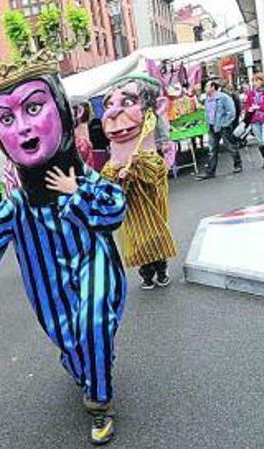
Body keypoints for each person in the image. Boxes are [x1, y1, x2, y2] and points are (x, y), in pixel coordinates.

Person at [0, 56, 127, 446]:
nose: (23, 127)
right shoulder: (18, 205)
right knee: (68, 336)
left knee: (94, 318)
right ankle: (88, 369)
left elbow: (114, 208)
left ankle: (100, 403)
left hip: (92, 263)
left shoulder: (86, 179)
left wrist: (76, 192)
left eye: (33, 107)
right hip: (48, 284)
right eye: (7, 119)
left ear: (59, 110)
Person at [100, 75, 178, 290]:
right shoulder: (114, 159)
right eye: (109, 105)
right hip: (132, 211)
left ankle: (161, 270)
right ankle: (146, 274)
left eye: (127, 102)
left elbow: (155, 172)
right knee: (138, 242)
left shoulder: (150, 156)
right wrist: (117, 172)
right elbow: (107, 180)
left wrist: (135, 166)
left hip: (151, 207)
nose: (113, 112)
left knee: (155, 238)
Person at [198, 80, 242, 179]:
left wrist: (224, 123)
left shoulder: (223, 97)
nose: (205, 89)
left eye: (206, 86)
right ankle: (210, 171)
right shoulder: (207, 99)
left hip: (223, 127)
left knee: (230, 146)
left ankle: (238, 164)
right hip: (212, 126)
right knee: (212, 149)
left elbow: (231, 112)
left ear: (213, 87)